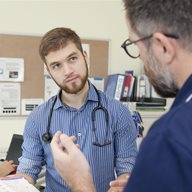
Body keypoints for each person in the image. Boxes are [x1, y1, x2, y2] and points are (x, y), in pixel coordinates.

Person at [50, 0, 192, 192]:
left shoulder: (169, 137)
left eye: (135, 45)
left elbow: (128, 164)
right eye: (56, 65)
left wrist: (79, 181)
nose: (140, 57)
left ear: (163, 46)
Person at [16, 27, 138, 192]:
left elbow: (127, 167)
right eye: (56, 65)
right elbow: (28, 169)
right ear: (48, 71)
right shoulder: (37, 118)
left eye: (72, 58)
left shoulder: (118, 112)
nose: (68, 71)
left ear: (85, 57)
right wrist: (14, 185)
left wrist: (122, 183)